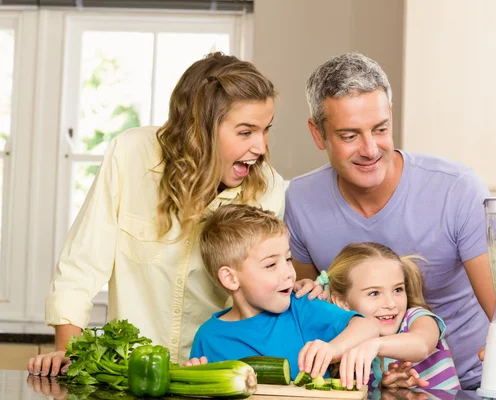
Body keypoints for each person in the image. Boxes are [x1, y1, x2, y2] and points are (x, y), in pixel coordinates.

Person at [285, 52, 496, 389]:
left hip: (473, 382)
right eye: (349, 136)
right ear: (318, 135)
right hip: (369, 386)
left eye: (380, 129)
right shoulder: (300, 200)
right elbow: (312, 313)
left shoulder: (455, 188)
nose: (371, 149)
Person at [28, 52, 298, 378]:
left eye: (266, 129)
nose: (261, 147)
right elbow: (80, 267)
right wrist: (66, 351)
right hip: (129, 375)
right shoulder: (130, 154)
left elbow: (260, 295)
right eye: (246, 132)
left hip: (213, 375)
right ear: (200, 129)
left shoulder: (267, 188)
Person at [188, 204, 379, 379]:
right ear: (231, 278)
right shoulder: (208, 338)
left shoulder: (301, 306)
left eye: (288, 259)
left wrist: (334, 349)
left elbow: (367, 328)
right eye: (271, 264)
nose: (289, 273)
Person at [327, 242, 460, 392]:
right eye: (374, 293)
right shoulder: (346, 342)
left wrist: (375, 345)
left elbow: (421, 344)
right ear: (342, 301)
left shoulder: (417, 317)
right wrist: (386, 389)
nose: (390, 304)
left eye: (397, 290)